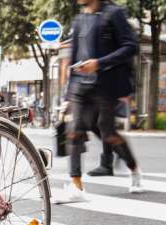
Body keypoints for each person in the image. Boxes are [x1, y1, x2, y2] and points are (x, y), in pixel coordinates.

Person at [55, 0, 142, 203]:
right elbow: (74, 58)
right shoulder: (78, 20)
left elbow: (130, 46)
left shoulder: (113, 14)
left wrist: (99, 63)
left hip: (104, 84)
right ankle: (77, 188)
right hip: (80, 86)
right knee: (74, 132)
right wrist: (68, 96)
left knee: (107, 133)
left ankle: (134, 169)